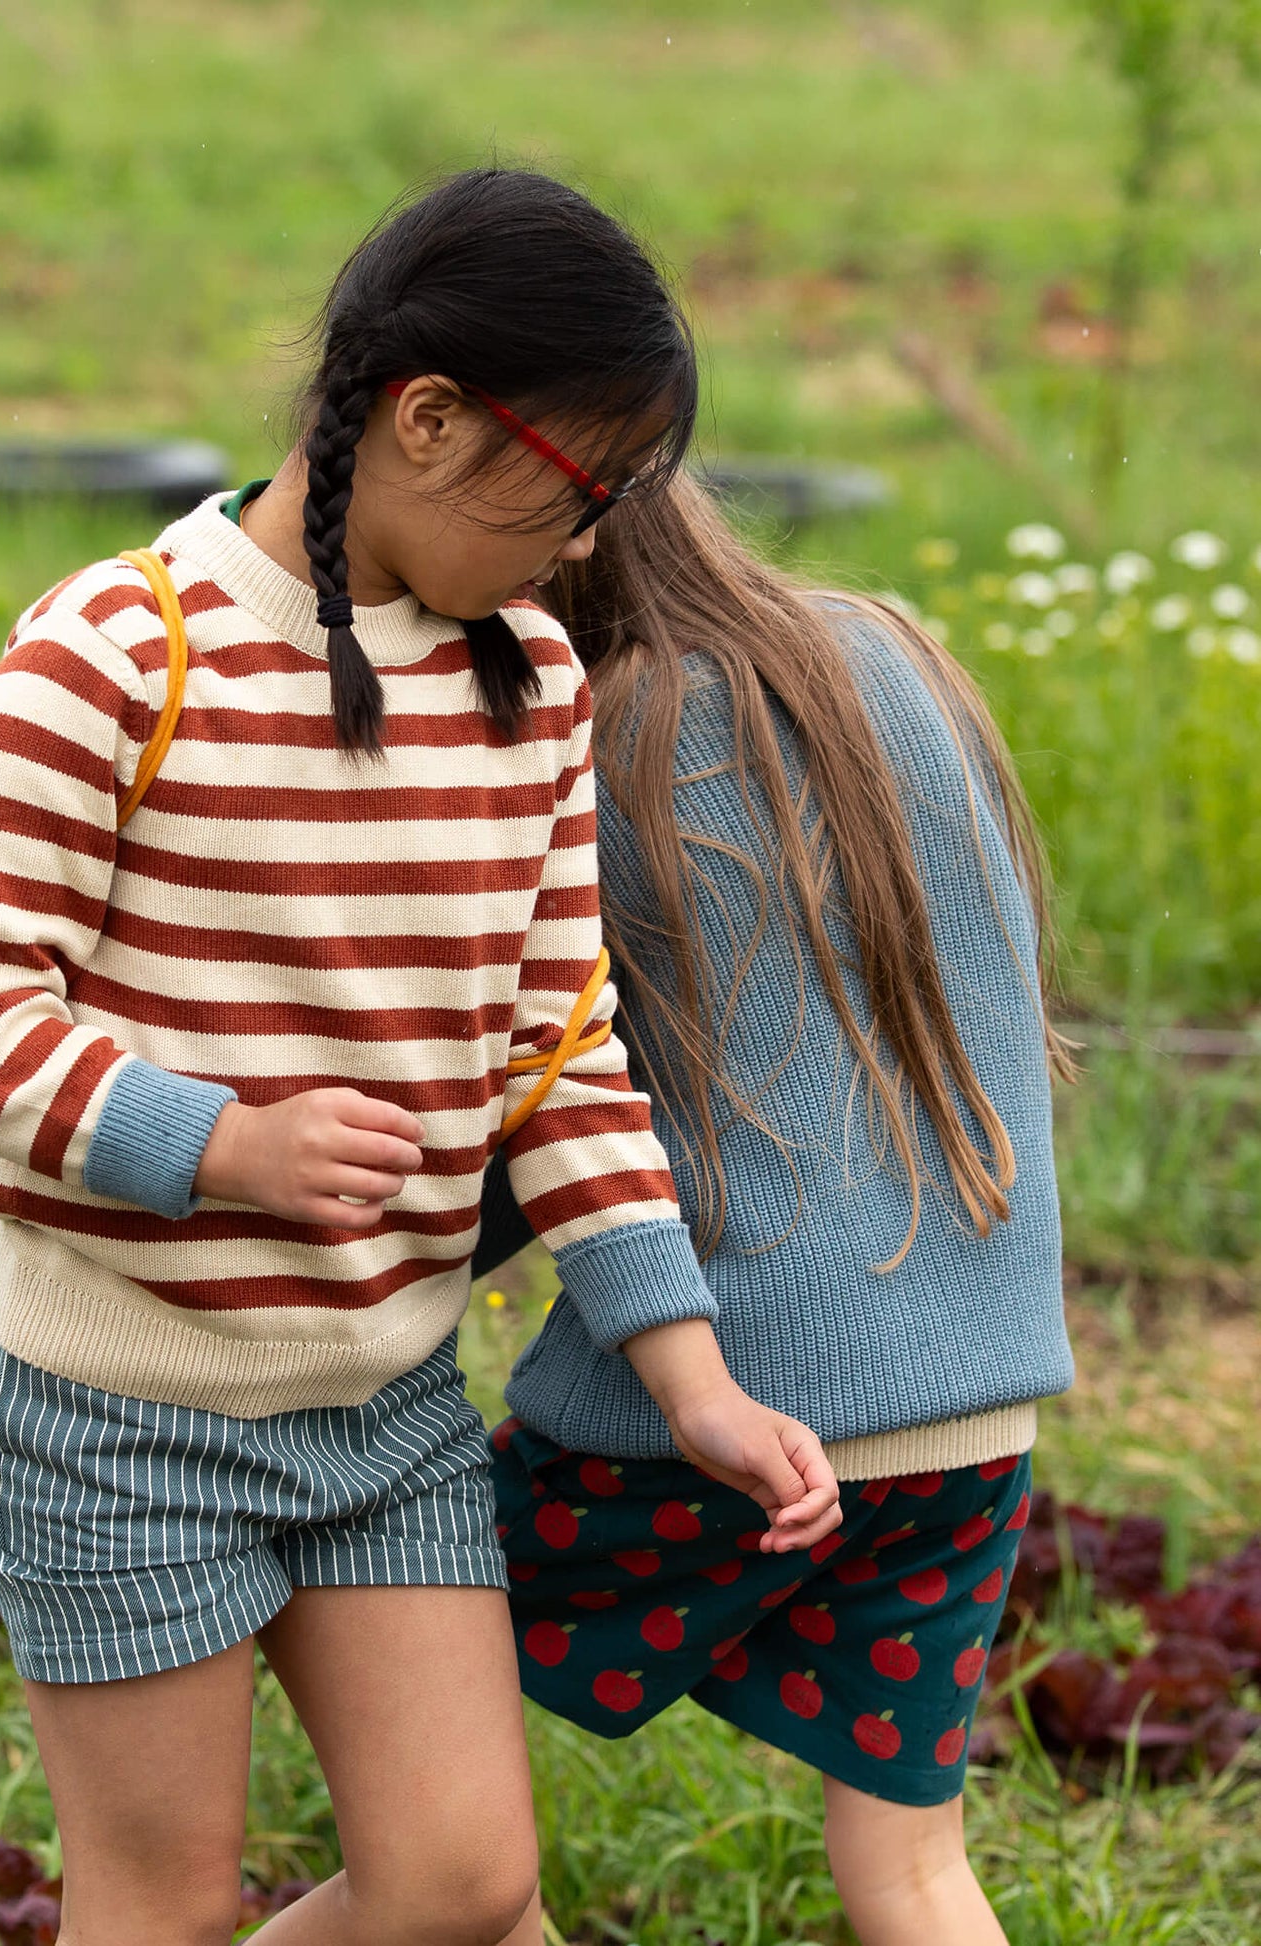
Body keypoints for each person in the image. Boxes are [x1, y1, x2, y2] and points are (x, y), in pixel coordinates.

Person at [0, 170, 839, 1946]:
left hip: (380, 1406)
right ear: (424, 418)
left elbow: (564, 1056)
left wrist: (691, 1375)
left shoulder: (528, 684)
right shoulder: (114, 654)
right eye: (581, 495)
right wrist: (217, 1144)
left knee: (463, 1880)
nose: (583, 549)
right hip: (124, 1416)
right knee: (154, 1901)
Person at [482, 471, 1076, 1945]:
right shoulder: (888, 648)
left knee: (396, 1710)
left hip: (727, 1403)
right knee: (915, 1870)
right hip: (971, 1411)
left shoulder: (583, 731)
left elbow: (543, 1093)